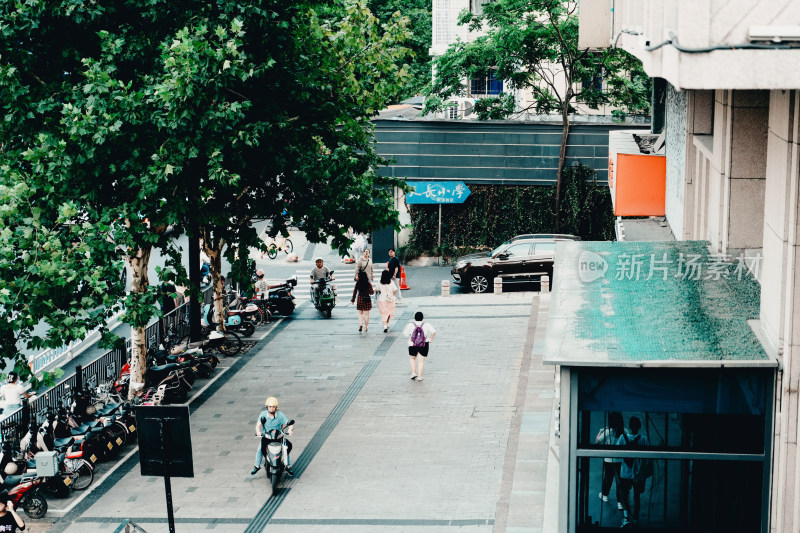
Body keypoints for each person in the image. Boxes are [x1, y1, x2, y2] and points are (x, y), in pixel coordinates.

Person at [617, 416, 649, 527]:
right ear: (639, 427)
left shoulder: (622, 438)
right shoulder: (643, 439)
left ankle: (626, 516)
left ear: (629, 427)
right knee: (637, 496)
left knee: (624, 494)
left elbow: (616, 453)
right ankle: (635, 518)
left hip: (625, 472)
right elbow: (647, 458)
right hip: (638, 474)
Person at [251, 396, 294, 477]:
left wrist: (290, 430)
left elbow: (290, 423)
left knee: (286, 448)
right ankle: (256, 466)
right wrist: (258, 432)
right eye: (270, 406)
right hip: (267, 437)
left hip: (278, 437)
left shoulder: (280, 415)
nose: (271, 408)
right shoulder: (263, 414)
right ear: (267, 406)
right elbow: (258, 425)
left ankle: (287, 466)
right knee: (260, 450)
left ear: (276, 407)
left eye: (273, 406)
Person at [596, 411, 625, 508]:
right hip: (620, 460)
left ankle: (605, 495)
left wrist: (601, 431)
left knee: (608, 478)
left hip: (609, 460)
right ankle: (620, 502)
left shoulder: (608, 432)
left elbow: (597, 441)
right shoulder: (625, 431)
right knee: (619, 481)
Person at [403, 311, 437, 381]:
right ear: (422, 318)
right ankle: (419, 376)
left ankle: (413, 373)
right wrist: (431, 339)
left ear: (415, 318)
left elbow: (405, 333)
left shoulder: (410, 324)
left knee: (412, 358)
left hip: (412, 344)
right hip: (424, 344)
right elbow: (434, 332)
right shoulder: (427, 324)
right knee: (421, 361)